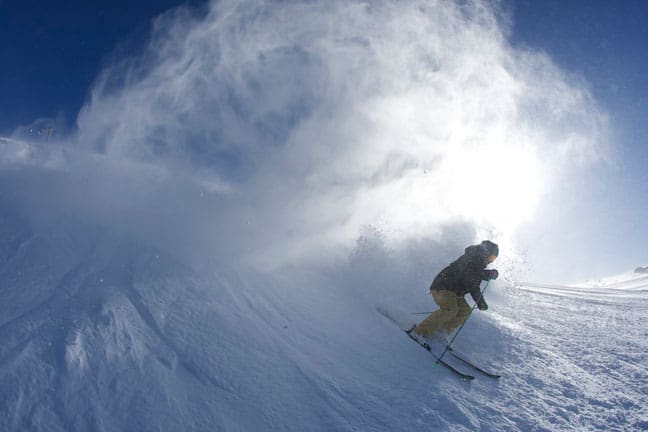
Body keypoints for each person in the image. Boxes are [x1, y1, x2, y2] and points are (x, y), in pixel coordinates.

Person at [410, 240, 499, 341]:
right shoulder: (471, 257)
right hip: (443, 287)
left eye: (493, 259)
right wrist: (486, 275)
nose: (490, 261)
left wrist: (480, 302)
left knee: (465, 311)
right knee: (450, 309)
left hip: (454, 293)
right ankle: (419, 332)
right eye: (490, 257)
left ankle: (438, 334)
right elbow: (469, 275)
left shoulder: (478, 266)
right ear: (484, 252)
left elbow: (473, 285)